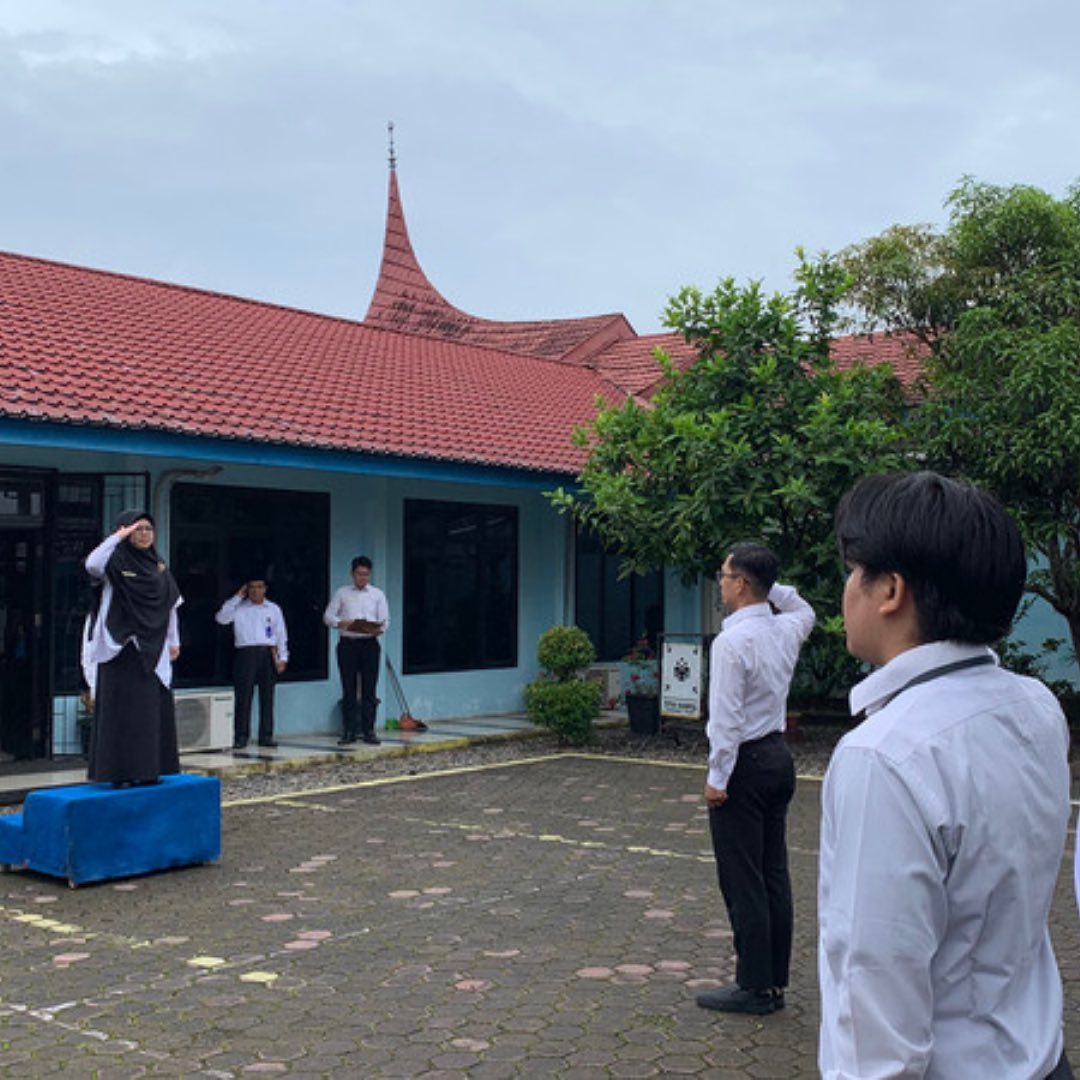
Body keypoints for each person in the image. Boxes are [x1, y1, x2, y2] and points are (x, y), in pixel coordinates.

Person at [820, 471, 1072, 1079]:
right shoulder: (1036, 706)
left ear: (890, 591)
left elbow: (875, 997)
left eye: (853, 571)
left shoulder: (883, 756)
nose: (846, 590)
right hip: (1041, 1057)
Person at [696, 542, 815, 1016]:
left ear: (741, 584)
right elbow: (802, 607)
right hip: (777, 758)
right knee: (773, 874)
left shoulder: (732, 643)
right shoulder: (786, 627)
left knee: (742, 878)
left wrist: (717, 777)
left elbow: (725, 720)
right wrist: (769, 584)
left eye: (726, 576)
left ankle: (753, 985)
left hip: (743, 765)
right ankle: (772, 981)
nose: (721, 584)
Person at [83, 509, 182, 786]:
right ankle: (119, 773)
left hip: (153, 649)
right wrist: (117, 537)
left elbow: (171, 606)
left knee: (148, 713)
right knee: (121, 712)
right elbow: (92, 564)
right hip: (121, 647)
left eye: (149, 529)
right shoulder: (114, 562)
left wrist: (174, 640)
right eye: (138, 529)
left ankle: (148, 770)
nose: (144, 534)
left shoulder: (159, 566)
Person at [323, 555, 389, 746]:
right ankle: (349, 731)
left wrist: (377, 629)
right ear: (352, 574)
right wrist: (341, 623)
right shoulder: (342, 593)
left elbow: (385, 621)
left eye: (366, 574)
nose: (363, 578)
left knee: (370, 688)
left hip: (369, 644)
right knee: (348, 688)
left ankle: (369, 731)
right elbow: (328, 617)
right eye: (359, 574)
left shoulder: (377, 594)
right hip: (348, 644)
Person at [215, 578, 289, 749]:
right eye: (252, 587)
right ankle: (241, 736)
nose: (256, 591)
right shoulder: (239, 607)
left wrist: (283, 657)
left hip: (268, 652)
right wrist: (236, 598)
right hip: (246, 653)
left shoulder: (273, 608)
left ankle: (266, 735)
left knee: (267, 696)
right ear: (246, 589)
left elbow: (280, 633)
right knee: (244, 696)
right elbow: (221, 618)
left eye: (259, 587)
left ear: (265, 589)